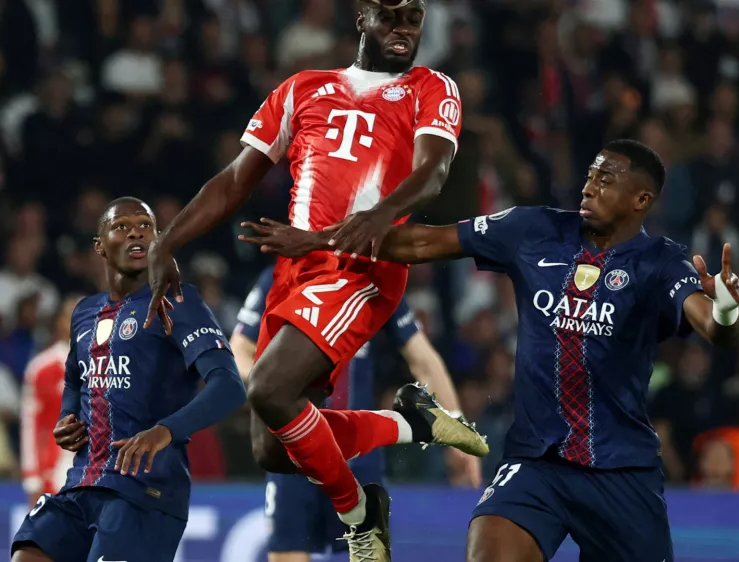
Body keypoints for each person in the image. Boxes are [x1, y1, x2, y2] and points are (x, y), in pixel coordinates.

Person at [239, 139, 739, 562]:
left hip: (621, 473)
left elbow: (714, 329)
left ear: (641, 200)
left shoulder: (661, 261)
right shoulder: (534, 230)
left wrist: (723, 307)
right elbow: (422, 243)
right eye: (590, 172)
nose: (589, 184)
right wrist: (322, 240)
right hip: (536, 463)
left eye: (607, 178)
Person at [146, 1, 487, 559]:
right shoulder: (302, 87)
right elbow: (234, 181)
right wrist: (167, 242)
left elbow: (434, 172)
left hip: (363, 267)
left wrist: (376, 219)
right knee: (274, 450)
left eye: (413, 18)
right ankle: (406, 422)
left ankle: (360, 512)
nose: (403, 29)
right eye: (390, 15)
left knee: (268, 388)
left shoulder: (432, 86)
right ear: (362, 18)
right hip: (296, 266)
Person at [10, 198, 247, 562]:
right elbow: (75, 379)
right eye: (121, 225)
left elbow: (229, 385)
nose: (136, 230)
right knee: (27, 554)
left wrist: (166, 430)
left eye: (145, 225)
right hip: (83, 484)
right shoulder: (85, 312)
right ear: (99, 246)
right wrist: (67, 416)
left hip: (145, 491)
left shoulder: (177, 302)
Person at [231, 265, 482, 562]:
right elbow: (239, 350)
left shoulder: (374, 276)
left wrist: (455, 420)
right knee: (287, 552)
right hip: (292, 445)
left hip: (356, 453)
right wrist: (274, 388)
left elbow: (422, 358)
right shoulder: (281, 274)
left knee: (366, 554)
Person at [20, 295, 82, 509]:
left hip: (97, 476)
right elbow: (30, 425)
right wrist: (32, 478)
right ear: (60, 322)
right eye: (72, 316)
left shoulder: (112, 366)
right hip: (56, 475)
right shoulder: (42, 368)